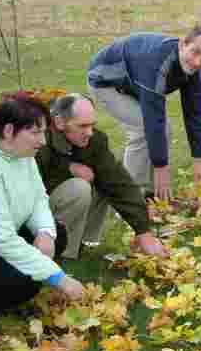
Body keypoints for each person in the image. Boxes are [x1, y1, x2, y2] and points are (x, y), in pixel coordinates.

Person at [87, 26, 201, 201]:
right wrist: (160, 166)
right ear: (182, 45)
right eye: (195, 52)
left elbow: (197, 115)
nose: (198, 62)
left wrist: (198, 161)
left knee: (164, 130)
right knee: (142, 129)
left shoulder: (195, 70)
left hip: (133, 83)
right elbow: (154, 119)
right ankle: (129, 200)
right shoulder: (157, 62)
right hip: (105, 82)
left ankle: (147, 194)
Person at [36, 94, 168, 260]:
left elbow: (119, 184)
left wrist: (143, 231)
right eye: (82, 126)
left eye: (92, 125)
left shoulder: (94, 141)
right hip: (35, 209)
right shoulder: (37, 138)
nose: (89, 133)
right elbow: (30, 188)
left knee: (103, 180)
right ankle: (61, 254)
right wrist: (67, 168)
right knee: (79, 187)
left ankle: (81, 243)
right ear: (59, 122)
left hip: (55, 203)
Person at [0, 97, 84, 312]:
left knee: (58, 234)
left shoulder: (22, 153)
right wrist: (59, 278)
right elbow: (0, 238)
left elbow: (38, 197)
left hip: (5, 234)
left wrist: (44, 233)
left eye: (43, 132)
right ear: (9, 130)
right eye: (35, 132)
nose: (43, 141)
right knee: (20, 283)